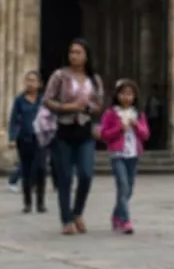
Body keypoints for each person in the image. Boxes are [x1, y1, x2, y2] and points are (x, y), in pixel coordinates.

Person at [42, 39, 104, 235]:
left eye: (78, 52)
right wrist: (67, 107)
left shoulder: (94, 78)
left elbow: (99, 103)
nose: (74, 56)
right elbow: (47, 100)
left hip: (84, 130)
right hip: (63, 130)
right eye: (71, 52)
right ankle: (66, 219)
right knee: (65, 177)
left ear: (86, 55)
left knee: (86, 174)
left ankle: (78, 212)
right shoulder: (60, 76)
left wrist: (88, 107)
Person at [99, 79, 150, 234]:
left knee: (129, 189)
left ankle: (116, 215)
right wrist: (119, 128)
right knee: (123, 186)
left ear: (134, 96)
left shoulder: (138, 114)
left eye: (129, 94)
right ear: (117, 95)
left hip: (133, 154)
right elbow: (104, 134)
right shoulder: (111, 113)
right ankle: (126, 220)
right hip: (117, 154)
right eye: (123, 94)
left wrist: (137, 126)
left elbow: (146, 134)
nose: (126, 97)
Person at [8, 71, 47, 213]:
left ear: (39, 84)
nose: (30, 83)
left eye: (33, 80)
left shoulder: (43, 100)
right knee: (26, 171)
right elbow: (13, 119)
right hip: (24, 139)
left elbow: (49, 118)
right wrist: (12, 137)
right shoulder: (19, 100)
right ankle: (28, 203)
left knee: (41, 169)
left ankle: (41, 202)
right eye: (28, 80)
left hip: (40, 139)